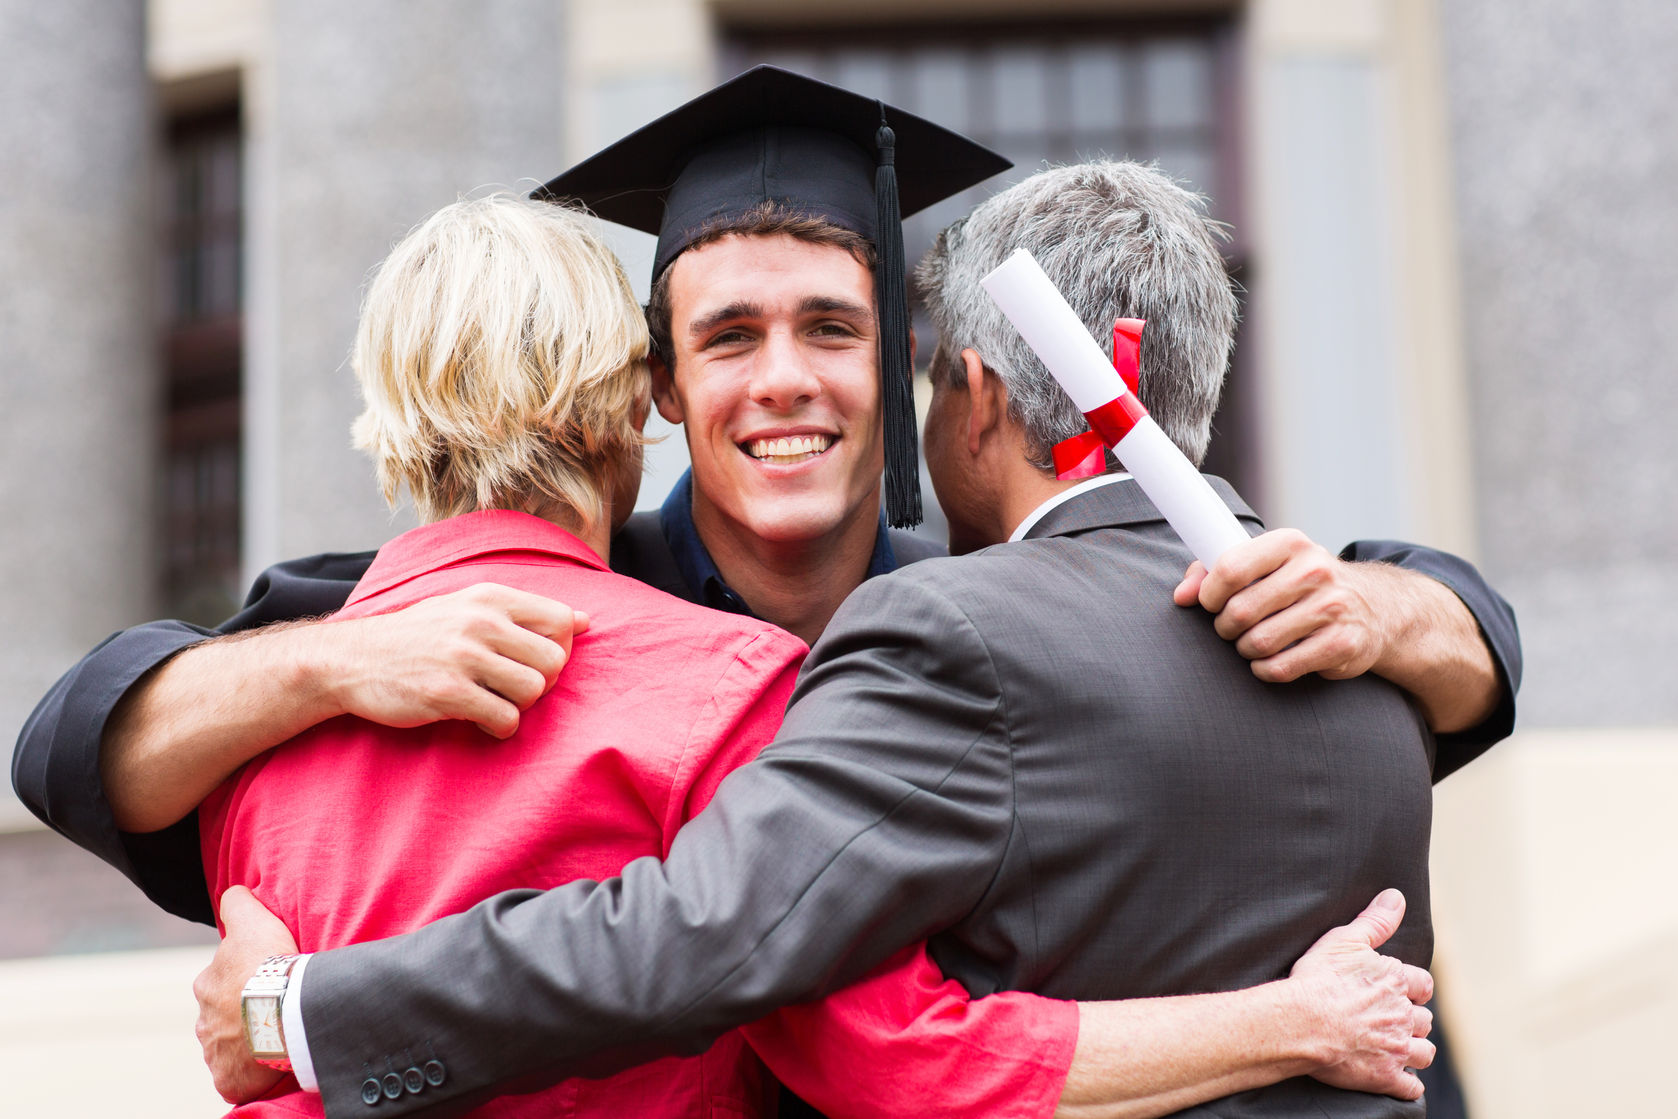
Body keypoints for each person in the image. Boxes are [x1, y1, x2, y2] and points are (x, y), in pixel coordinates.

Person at [196, 158, 1477, 1119]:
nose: (784, 380)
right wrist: (1291, 1024)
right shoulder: (1372, 675)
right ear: (640, 400)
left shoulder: (255, 742)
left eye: (831, 328)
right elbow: (879, 1042)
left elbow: (686, 941)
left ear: (945, 378)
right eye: (726, 338)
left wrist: (289, 1012)